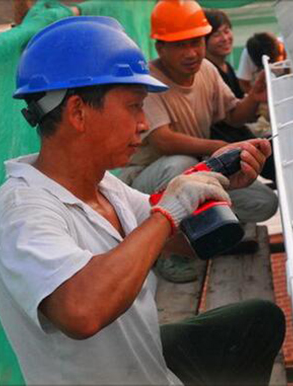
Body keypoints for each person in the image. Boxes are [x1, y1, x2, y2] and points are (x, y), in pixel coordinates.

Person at [0, 16, 285, 385]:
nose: (143, 123)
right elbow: (81, 312)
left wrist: (217, 180)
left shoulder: (104, 186)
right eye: (134, 106)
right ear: (78, 112)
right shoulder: (23, 212)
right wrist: (167, 214)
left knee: (258, 320)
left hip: (149, 365)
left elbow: (184, 241)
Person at [119, 0, 278, 283]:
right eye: (181, 45)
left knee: (264, 202)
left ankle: (205, 236)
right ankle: (167, 251)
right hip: (145, 182)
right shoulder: (148, 82)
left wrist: (254, 97)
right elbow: (164, 141)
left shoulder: (206, 70)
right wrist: (217, 148)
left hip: (194, 172)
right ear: (160, 47)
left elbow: (232, 114)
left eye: (196, 42)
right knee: (179, 164)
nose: (192, 52)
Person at [204, 8, 276, 182]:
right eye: (216, 35)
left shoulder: (226, 67)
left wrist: (254, 97)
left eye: (227, 31)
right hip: (230, 146)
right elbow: (233, 117)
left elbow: (238, 112)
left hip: (240, 135)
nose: (225, 38)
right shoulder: (207, 70)